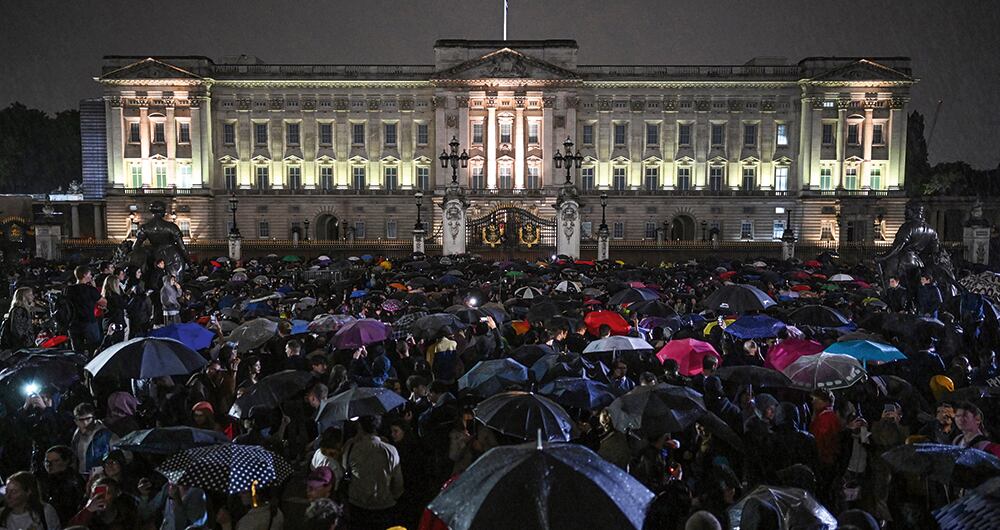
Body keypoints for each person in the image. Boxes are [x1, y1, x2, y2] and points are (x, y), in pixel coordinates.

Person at [341, 415, 404, 530]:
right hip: (384, 504)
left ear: (359, 426)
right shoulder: (390, 450)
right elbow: (398, 482)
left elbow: (345, 468)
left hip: (357, 503)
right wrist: (392, 496)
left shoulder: (351, 448)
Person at [38, 445, 86, 525]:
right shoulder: (44, 480)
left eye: (56, 461)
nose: (50, 465)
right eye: (47, 461)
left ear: (66, 461)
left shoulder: (74, 481)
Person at [67, 476, 138, 530]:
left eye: (108, 493)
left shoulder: (126, 512)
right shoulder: (85, 512)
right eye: (96, 492)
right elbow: (71, 528)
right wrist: (88, 510)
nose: (101, 497)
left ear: (116, 494)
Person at [65, 266, 105, 355]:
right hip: (89, 321)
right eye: (90, 274)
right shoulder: (90, 289)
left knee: (77, 349)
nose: (91, 276)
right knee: (94, 347)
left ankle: (79, 366)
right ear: (85, 275)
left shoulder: (68, 290)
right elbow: (103, 303)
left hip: (73, 323)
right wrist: (94, 287)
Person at [71, 403, 118, 476]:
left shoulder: (106, 434)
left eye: (88, 419)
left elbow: (123, 456)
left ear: (94, 418)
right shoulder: (76, 436)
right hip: (81, 476)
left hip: (101, 476)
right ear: (76, 421)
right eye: (81, 420)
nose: (85, 423)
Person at [100, 274, 127, 346]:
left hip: (107, 323)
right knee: (117, 344)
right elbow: (124, 305)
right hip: (116, 323)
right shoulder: (115, 297)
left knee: (109, 342)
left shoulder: (105, 296)